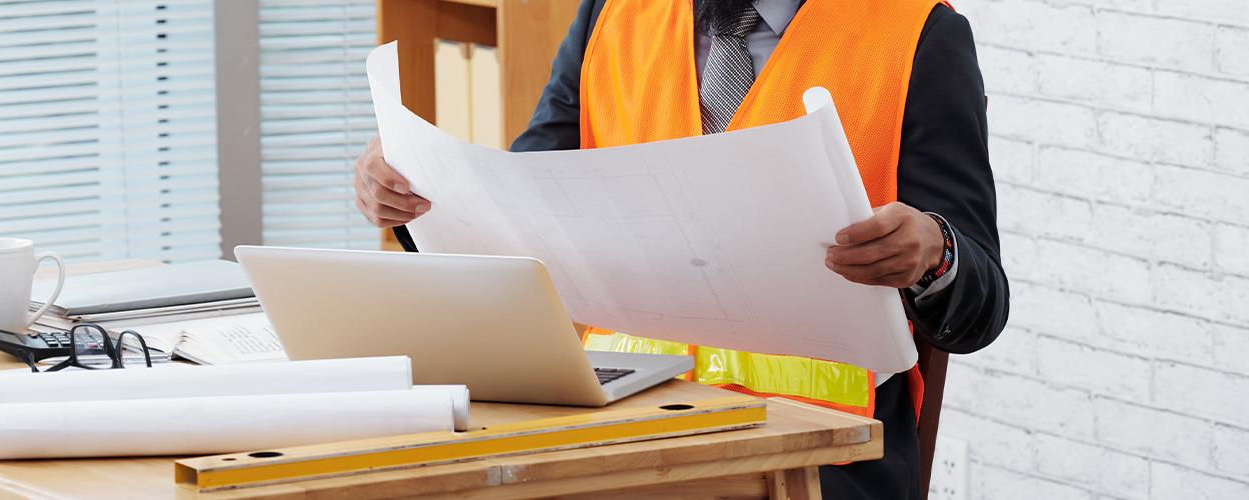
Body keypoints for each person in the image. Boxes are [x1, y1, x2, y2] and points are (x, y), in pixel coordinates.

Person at [352, 0, 1009, 497]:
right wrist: (415, 200)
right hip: (616, 443)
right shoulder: (613, 14)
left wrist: (935, 250)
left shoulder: (916, 34)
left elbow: (981, 304)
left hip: (819, 464)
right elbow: (522, 216)